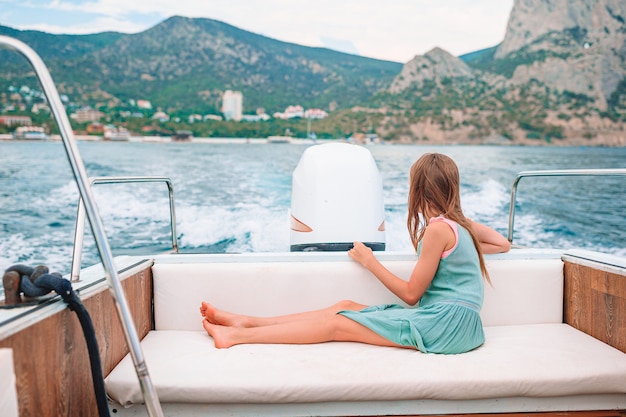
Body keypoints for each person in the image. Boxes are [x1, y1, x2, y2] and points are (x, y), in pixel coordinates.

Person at [200, 153, 511, 352]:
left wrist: (369, 261)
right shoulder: (459, 226)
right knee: (345, 305)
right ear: (452, 187)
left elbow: (412, 294)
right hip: (459, 323)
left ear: (416, 190)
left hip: (446, 326)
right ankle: (247, 322)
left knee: (337, 325)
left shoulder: (438, 229)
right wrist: (460, 226)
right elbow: (502, 244)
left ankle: (237, 337)